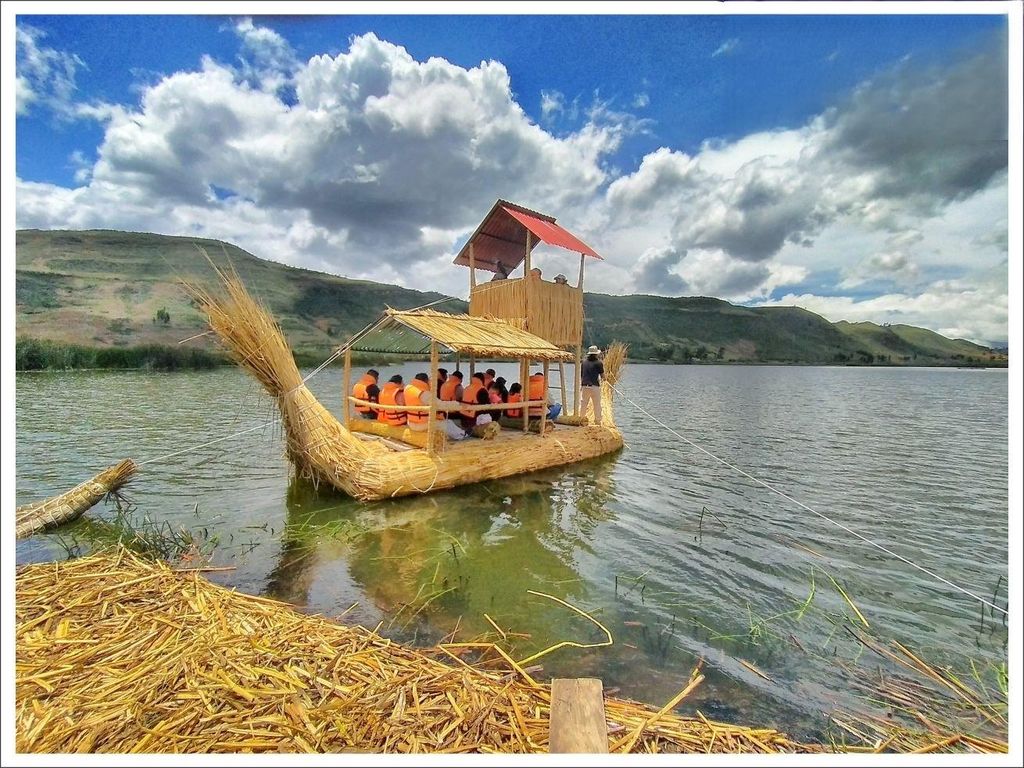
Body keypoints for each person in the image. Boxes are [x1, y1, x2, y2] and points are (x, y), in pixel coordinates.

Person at [406, 373, 466, 440]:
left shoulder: (408, 388)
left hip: (411, 422)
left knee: (445, 420)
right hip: (421, 424)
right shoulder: (423, 393)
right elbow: (439, 405)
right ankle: (461, 435)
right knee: (445, 423)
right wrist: (457, 404)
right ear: (425, 381)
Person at [580, 345, 604, 425]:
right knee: (597, 404)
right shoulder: (599, 363)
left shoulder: (584, 362)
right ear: (596, 354)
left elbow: (582, 375)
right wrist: (606, 380)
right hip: (594, 386)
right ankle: (597, 421)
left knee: (583, 403)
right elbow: (603, 376)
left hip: (584, 385)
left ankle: (581, 419)